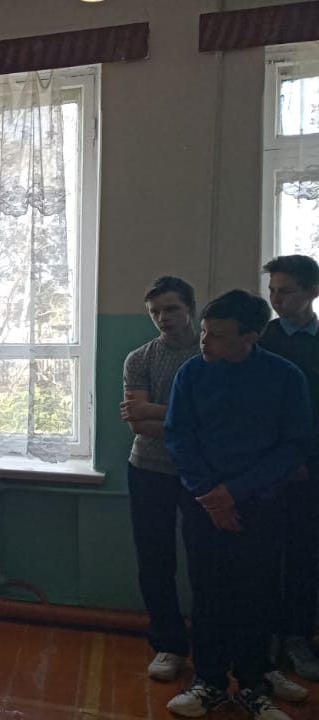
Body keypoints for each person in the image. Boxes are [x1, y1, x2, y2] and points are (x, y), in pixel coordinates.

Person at [165, 290, 311, 720]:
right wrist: (211, 496)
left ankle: (252, 685)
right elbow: (179, 438)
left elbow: (294, 445)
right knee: (207, 593)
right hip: (203, 503)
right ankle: (209, 681)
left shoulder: (285, 377)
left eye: (217, 336)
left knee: (258, 594)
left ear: (250, 338)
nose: (204, 342)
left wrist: (235, 492)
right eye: (204, 332)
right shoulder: (192, 373)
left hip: (261, 504)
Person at [120, 276, 199, 681]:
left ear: (190, 309)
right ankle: (169, 644)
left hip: (201, 472)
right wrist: (187, 420)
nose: (163, 318)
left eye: (171, 309)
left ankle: (212, 644)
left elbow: (213, 422)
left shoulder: (210, 355)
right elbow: (137, 423)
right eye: (155, 312)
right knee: (155, 560)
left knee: (207, 561)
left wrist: (156, 411)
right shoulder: (140, 358)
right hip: (148, 469)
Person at [260, 255, 319, 681]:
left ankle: (297, 636)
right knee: (261, 554)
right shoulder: (261, 338)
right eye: (272, 291)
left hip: (311, 469)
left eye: (286, 291)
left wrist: (301, 459)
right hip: (264, 468)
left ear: (312, 292)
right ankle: (263, 637)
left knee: (304, 555)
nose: (277, 299)